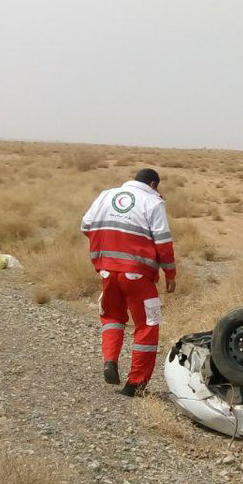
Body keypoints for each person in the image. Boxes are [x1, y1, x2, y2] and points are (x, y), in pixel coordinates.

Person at [81, 168, 176, 397]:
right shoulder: (153, 202)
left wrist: (111, 247)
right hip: (138, 274)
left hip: (107, 270)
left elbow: (86, 226)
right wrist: (170, 273)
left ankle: (110, 361)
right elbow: (163, 241)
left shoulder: (106, 195)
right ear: (153, 184)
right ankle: (135, 384)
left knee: (112, 317)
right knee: (148, 325)